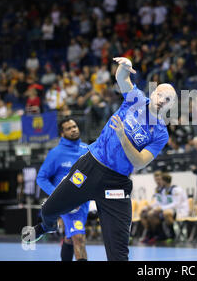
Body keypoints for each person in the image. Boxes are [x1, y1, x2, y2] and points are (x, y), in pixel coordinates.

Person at [22, 57, 177, 261]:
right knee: (48, 209)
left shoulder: (160, 134)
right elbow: (122, 78)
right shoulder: (136, 99)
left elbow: (140, 162)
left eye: (167, 100)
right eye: (160, 94)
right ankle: (46, 227)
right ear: (153, 92)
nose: (161, 100)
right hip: (91, 166)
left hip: (116, 183)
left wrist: (123, 137)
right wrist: (125, 67)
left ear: (169, 105)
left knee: (119, 252)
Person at [36, 117, 89, 261]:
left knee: (70, 237)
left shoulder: (87, 149)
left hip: (83, 203)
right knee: (78, 237)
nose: (73, 130)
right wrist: (58, 196)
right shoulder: (56, 153)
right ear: (62, 133)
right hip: (67, 205)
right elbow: (41, 178)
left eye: (75, 126)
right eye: (68, 128)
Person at [141, 171, 189, 244]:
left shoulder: (176, 189)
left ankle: (172, 235)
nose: (158, 182)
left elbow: (176, 204)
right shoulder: (163, 190)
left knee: (166, 213)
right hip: (169, 209)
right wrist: (151, 207)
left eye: (160, 180)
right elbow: (160, 202)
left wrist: (161, 208)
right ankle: (158, 234)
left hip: (180, 210)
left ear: (163, 181)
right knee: (150, 214)